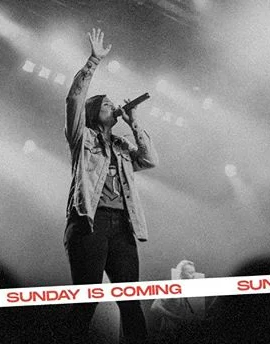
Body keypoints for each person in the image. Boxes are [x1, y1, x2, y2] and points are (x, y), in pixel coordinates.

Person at [63, 28, 158, 343]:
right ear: (94, 113)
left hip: (123, 227)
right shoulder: (83, 137)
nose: (113, 107)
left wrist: (134, 123)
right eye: (106, 105)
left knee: (131, 304)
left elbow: (150, 160)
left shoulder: (121, 145)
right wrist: (93, 61)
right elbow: (74, 99)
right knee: (86, 302)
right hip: (90, 222)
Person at [151, 260, 203, 333]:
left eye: (194, 273)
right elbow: (154, 307)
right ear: (181, 274)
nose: (193, 276)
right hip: (169, 333)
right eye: (190, 273)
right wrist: (176, 318)